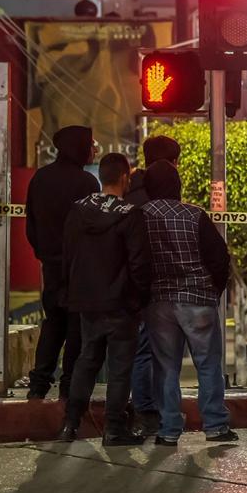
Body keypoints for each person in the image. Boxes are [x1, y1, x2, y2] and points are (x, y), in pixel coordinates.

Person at [58, 154, 152, 445]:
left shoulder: (78, 210)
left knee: (87, 360)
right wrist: (139, 299)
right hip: (121, 304)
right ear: (125, 178)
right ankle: (114, 428)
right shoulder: (131, 214)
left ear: (101, 176)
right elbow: (139, 264)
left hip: (87, 301)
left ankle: (70, 424)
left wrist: (72, 292)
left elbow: (67, 255)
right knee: (120, 368)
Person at [141, 161, 236, 445]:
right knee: (208, 364)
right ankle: (215, 425)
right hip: (198, 298)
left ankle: (168, 429)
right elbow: (220, 258)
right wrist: (213, 291)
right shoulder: (195, 215)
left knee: (165, 366)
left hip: (159, 300)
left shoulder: (140, 216)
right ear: (177, 185)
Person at [25, 125, 99, 401]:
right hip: (79, 267)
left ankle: (38, 385)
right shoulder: (87, 183)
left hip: (51, 266)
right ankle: (69, 388)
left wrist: (45, 254)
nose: (93, 151)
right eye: (90, 145)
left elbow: (31, 224)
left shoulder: (40, 178)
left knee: (53, 322)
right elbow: (92, 228)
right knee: (76, 326)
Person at [124, 134, 181, 435]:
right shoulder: (158, 200)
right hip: (155, 287)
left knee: (138, 350)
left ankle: (142, 407)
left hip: (129, 286)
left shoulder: (129, 194)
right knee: (155, 351)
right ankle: (150, 409)